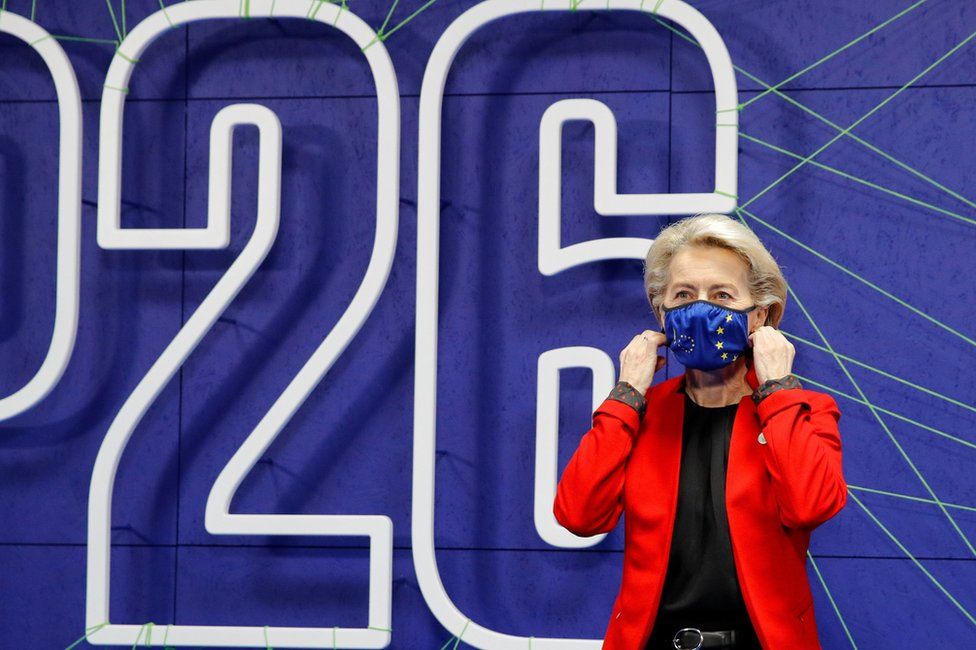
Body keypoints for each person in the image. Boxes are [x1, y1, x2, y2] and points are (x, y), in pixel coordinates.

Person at [553, 214, 847, 649]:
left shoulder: (802, 411)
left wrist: (779, 389)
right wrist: (627, 392)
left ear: (759, 316)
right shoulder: (639, 413)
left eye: (723, 295)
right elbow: (578, 516)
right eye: (684, 295)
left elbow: (811, 507)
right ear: (661, 312)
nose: (701, 310)